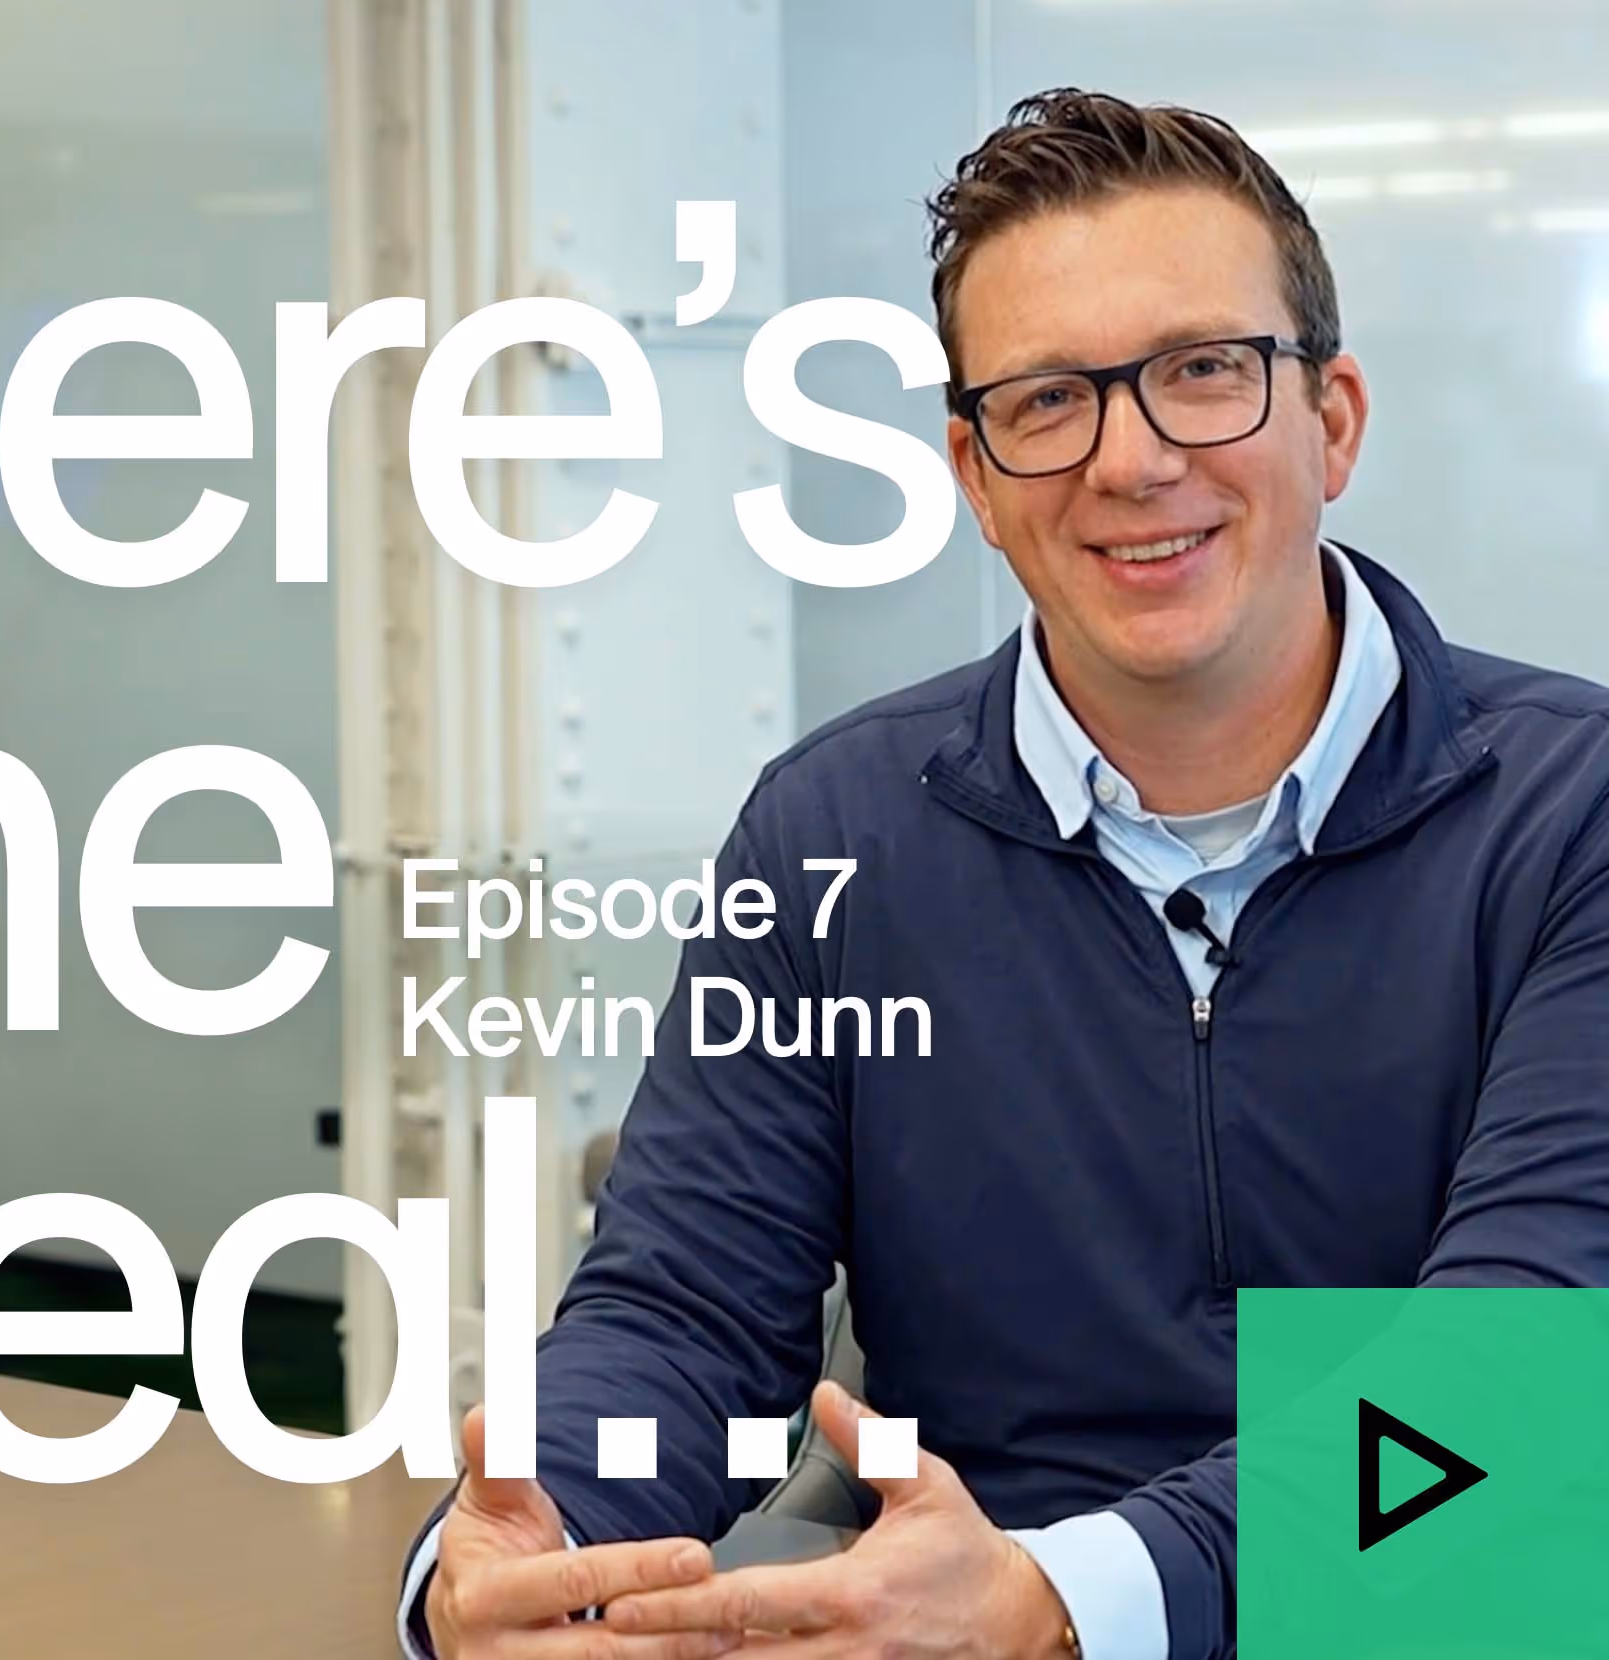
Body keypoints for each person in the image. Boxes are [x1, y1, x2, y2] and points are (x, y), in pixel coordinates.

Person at [398, 88, 1609, 1660]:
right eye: (1049, 402)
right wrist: (531, 1538)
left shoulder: (1571, 814)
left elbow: (1502, 1380)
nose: (1131, 459)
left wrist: (1066, 1599)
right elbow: (683, 1312)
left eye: (1203, 372)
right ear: (975, 475)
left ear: (1334, 420)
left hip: (1447, 1614)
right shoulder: (836, 829)